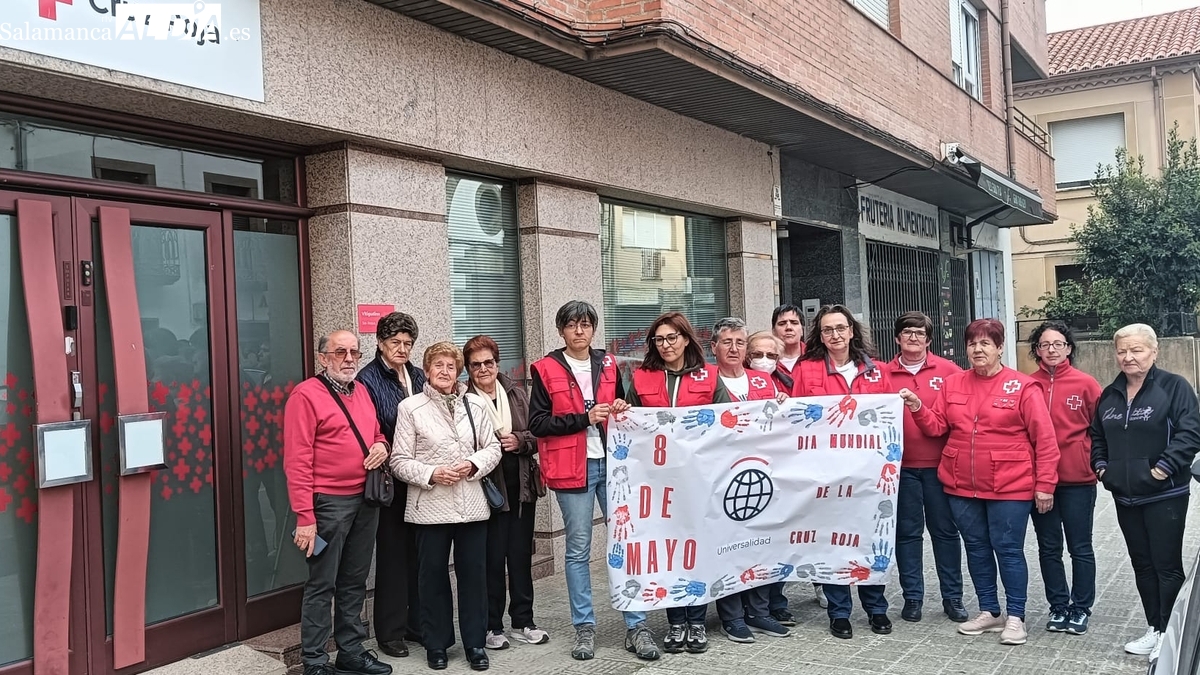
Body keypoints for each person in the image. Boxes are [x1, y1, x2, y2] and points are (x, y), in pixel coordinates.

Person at [901, 318, 1059, 647]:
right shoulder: (954, 383)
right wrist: (917, 407)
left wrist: (1045, 484)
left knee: (1009, 550)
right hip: (962, 485)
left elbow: (1045, 440)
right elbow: (936, 427)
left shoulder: (1022, 386)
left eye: (986, 343)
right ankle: (990, 610)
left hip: (1010, 486)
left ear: (1000, 348)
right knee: (976, 548)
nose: (978, 349)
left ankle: (1016, 616)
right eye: (972, 343)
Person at [527, 301, 660, 662]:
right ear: (561, 330)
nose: (580, 331)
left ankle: (637, 625)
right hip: (573, 467)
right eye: (572, 325)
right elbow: (537, 424)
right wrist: (583, 418)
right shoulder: (545, 368)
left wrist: (618, 406)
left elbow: (624, 404)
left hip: (614, 466)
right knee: (578, 549)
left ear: (593, 329)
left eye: (586, 324)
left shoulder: (609, 363)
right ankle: (584, 628)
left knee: (625, 543)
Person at [283, 330, 393, 675]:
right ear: (323, 357)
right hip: (328, 504)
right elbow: (297, 460)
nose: (349, 359)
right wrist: (305, 516)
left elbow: (375, 432)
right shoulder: (305, 395)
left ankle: (351, 651)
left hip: (365, 500)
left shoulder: (361, 391)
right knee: (322, 583)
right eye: (340, 352)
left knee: (354, 581)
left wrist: (381, 445)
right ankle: (315, 660)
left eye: (354, 353)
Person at [622, 311, 732, 654]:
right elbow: (629, 422)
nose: (666, 345)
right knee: (669, 550)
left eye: (672, 337)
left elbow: (727, 422)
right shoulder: (642, 378)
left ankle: (697, 620)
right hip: (656, 484)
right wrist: (619, 410)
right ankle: (675, 622)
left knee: (695, 548)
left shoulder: (710, 376)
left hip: (698, 480)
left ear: (686, 339)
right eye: (659, 339)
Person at [389, 341, 502, 672]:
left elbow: (493, 448)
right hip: (430, 506)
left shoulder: (476, 406)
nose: (444, 371)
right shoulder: (410, 408)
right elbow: (398, 461)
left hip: (471, 505)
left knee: (473, 576)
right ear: (426, 371)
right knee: (432, 577)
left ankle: (475, 644)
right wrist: (431, 473)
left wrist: (471, 464)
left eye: (450, 366)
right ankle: (436, 644)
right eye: (437, 365)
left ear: (458, 372)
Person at [1090, 324, 1200, 660]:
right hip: (1125, 496)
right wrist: (1102, 470)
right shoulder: (1110, 394)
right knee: (1142, 564)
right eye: (1122, 350)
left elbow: (1191, 432)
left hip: (1164, 495)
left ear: (1154, 352)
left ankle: (1171, 635)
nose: (1128, 357)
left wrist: (1161, 469)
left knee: (1165, 565)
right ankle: (1155, 628)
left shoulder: (1173, 387)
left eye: (1136, 350)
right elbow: (1097, 437)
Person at [795, 304, 895, 639]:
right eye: (827, 330)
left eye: (840, 328)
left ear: (852, 330)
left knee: (869, 539)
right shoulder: (806, 370)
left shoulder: (878, 371)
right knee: (831, 542)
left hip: (870, 475)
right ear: (819, 335)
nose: (835, 335)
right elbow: (795, 420)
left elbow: (888, 420)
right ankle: (839, 613)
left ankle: (876, 609)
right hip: (825, 474)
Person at [462, 335, 550, 650]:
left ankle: (524, 621)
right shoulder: (463, 399)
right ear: (468, 369)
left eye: (488, 362)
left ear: (497, 363)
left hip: (521, 487)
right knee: (491, 560)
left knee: (520, 559)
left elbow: (539, 433)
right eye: (476, 365)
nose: (483, 369)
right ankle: (492, 626)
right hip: (487, 492)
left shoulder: (515, 391)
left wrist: (519, 440)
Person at [707, 318, 792, 643]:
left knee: (761, 544)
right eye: (726, 342)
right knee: (729, 545)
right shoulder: (706, 381)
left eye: (739, 342)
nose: (733, 348)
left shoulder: (763, 382)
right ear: (714, 346)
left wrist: (783, 406)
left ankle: (759, 611)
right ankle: (732, 616)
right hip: (723, 478)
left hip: (762, 476)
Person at [885, 312, 968, 624]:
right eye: (907, 332)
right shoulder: (882, 373)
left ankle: (953, 598)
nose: (913, 338)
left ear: (929, 340)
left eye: (920, 333)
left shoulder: (949, 371)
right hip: (900, 469)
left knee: (945, 533)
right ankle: (913, 598)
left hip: (940, 467)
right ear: (897, 338)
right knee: (907, 534)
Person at [355, 312, 426, 657]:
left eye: (408, 343)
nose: (402, 349)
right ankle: (391, 631)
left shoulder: (417, 374)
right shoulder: (367, 379)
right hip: (391, 479)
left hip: (421, 475)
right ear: (380, 343)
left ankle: (417, 624)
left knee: (420, 553)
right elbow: (373, 426)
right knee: (394, 555)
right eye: (395, 342)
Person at [1026, 321, 1101, 635]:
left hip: (1078, 480)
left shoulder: (1086, 384)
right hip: (1040, 481)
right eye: (1045, 345)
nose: (1052, 350)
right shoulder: (1028, 385)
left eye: (1058, 344)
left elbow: (1100, 430)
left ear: (1069, 347)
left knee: (1080, 547)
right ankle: (1058, 605)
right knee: (1048, 547)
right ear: (1037, 350)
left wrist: (1096, 463)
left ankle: (1081, 607)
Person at [746, 329, 813, 621]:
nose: (764, 360)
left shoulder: (787, 384)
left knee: (778, 539)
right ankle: (750, 606)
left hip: (781, 472)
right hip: (747, 472)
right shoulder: (736, 383)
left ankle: (776, 599)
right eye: (757, 354)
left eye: (771, 355)